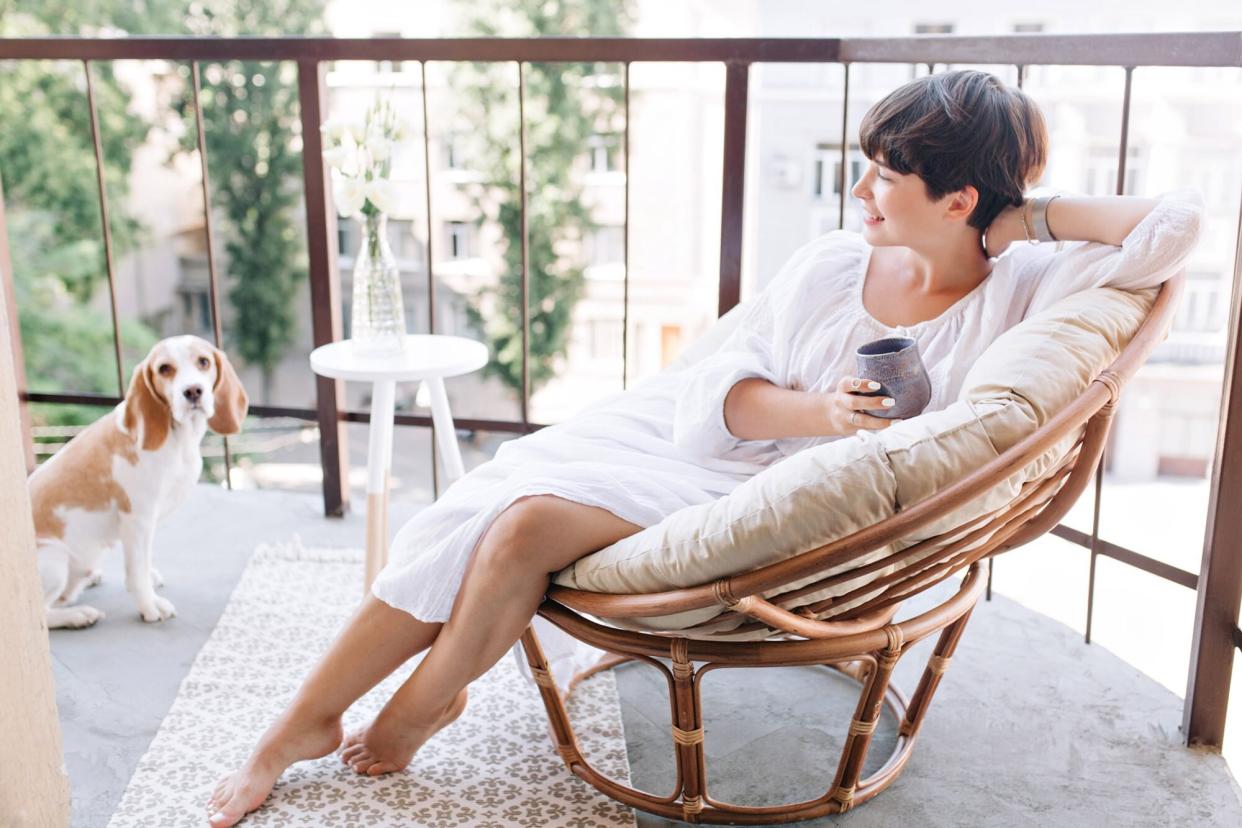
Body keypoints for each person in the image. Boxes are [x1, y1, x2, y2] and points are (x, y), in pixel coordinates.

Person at [207, 68, 1203, 825]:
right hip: (710, 434)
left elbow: (1176, 228)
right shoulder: (833, 265)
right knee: (477, 504)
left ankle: (417, 707)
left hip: (782, 492)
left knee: (521, 528)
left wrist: (1022, 218)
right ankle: (303, 720)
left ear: (957, 201)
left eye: (887, 173)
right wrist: (826, 412)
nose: (862, 188)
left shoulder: (1025, 287)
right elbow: (725, 390)